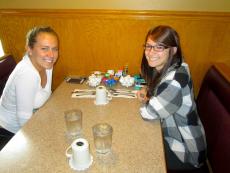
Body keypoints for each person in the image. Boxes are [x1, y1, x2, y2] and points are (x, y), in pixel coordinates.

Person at [136, 25, 207, 171]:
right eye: (148, 46)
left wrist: (149, 100)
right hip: (176, 137)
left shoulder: (175, 81)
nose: (150, 52)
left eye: (159, 47)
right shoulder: (178, 65)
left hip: (186, 151)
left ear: (173, 50)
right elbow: (161, 89)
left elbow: (148, 114)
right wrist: (149, 90)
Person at [0, 26, 59, 149]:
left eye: (55, 49)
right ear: (29, 49)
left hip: (32, 120)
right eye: (44, 48)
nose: (51, 54)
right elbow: (24, 120)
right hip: (9, 134)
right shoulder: (27, 73)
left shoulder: (47, 64)